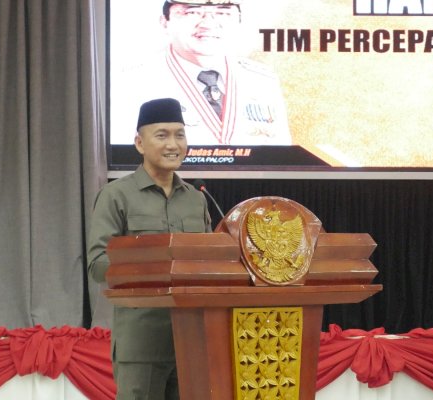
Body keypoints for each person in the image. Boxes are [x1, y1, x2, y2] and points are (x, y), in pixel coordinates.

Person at [87, 98, 212, 399]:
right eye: (162, 135)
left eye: (180, 135)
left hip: (191, 341)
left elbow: (211, 262)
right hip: (141, 343)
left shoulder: (197, 199)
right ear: (140, 143)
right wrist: (150, 267)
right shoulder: (116, 196)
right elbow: (97, 263)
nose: (173, 144)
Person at [110, 0, 291, 146]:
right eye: (192, 12)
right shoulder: (132, 83)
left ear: (239, 21)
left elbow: (282, 157)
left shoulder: (263, 81)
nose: (208, 23)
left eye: (222, 12)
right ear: (165, 22)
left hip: (254, 189)